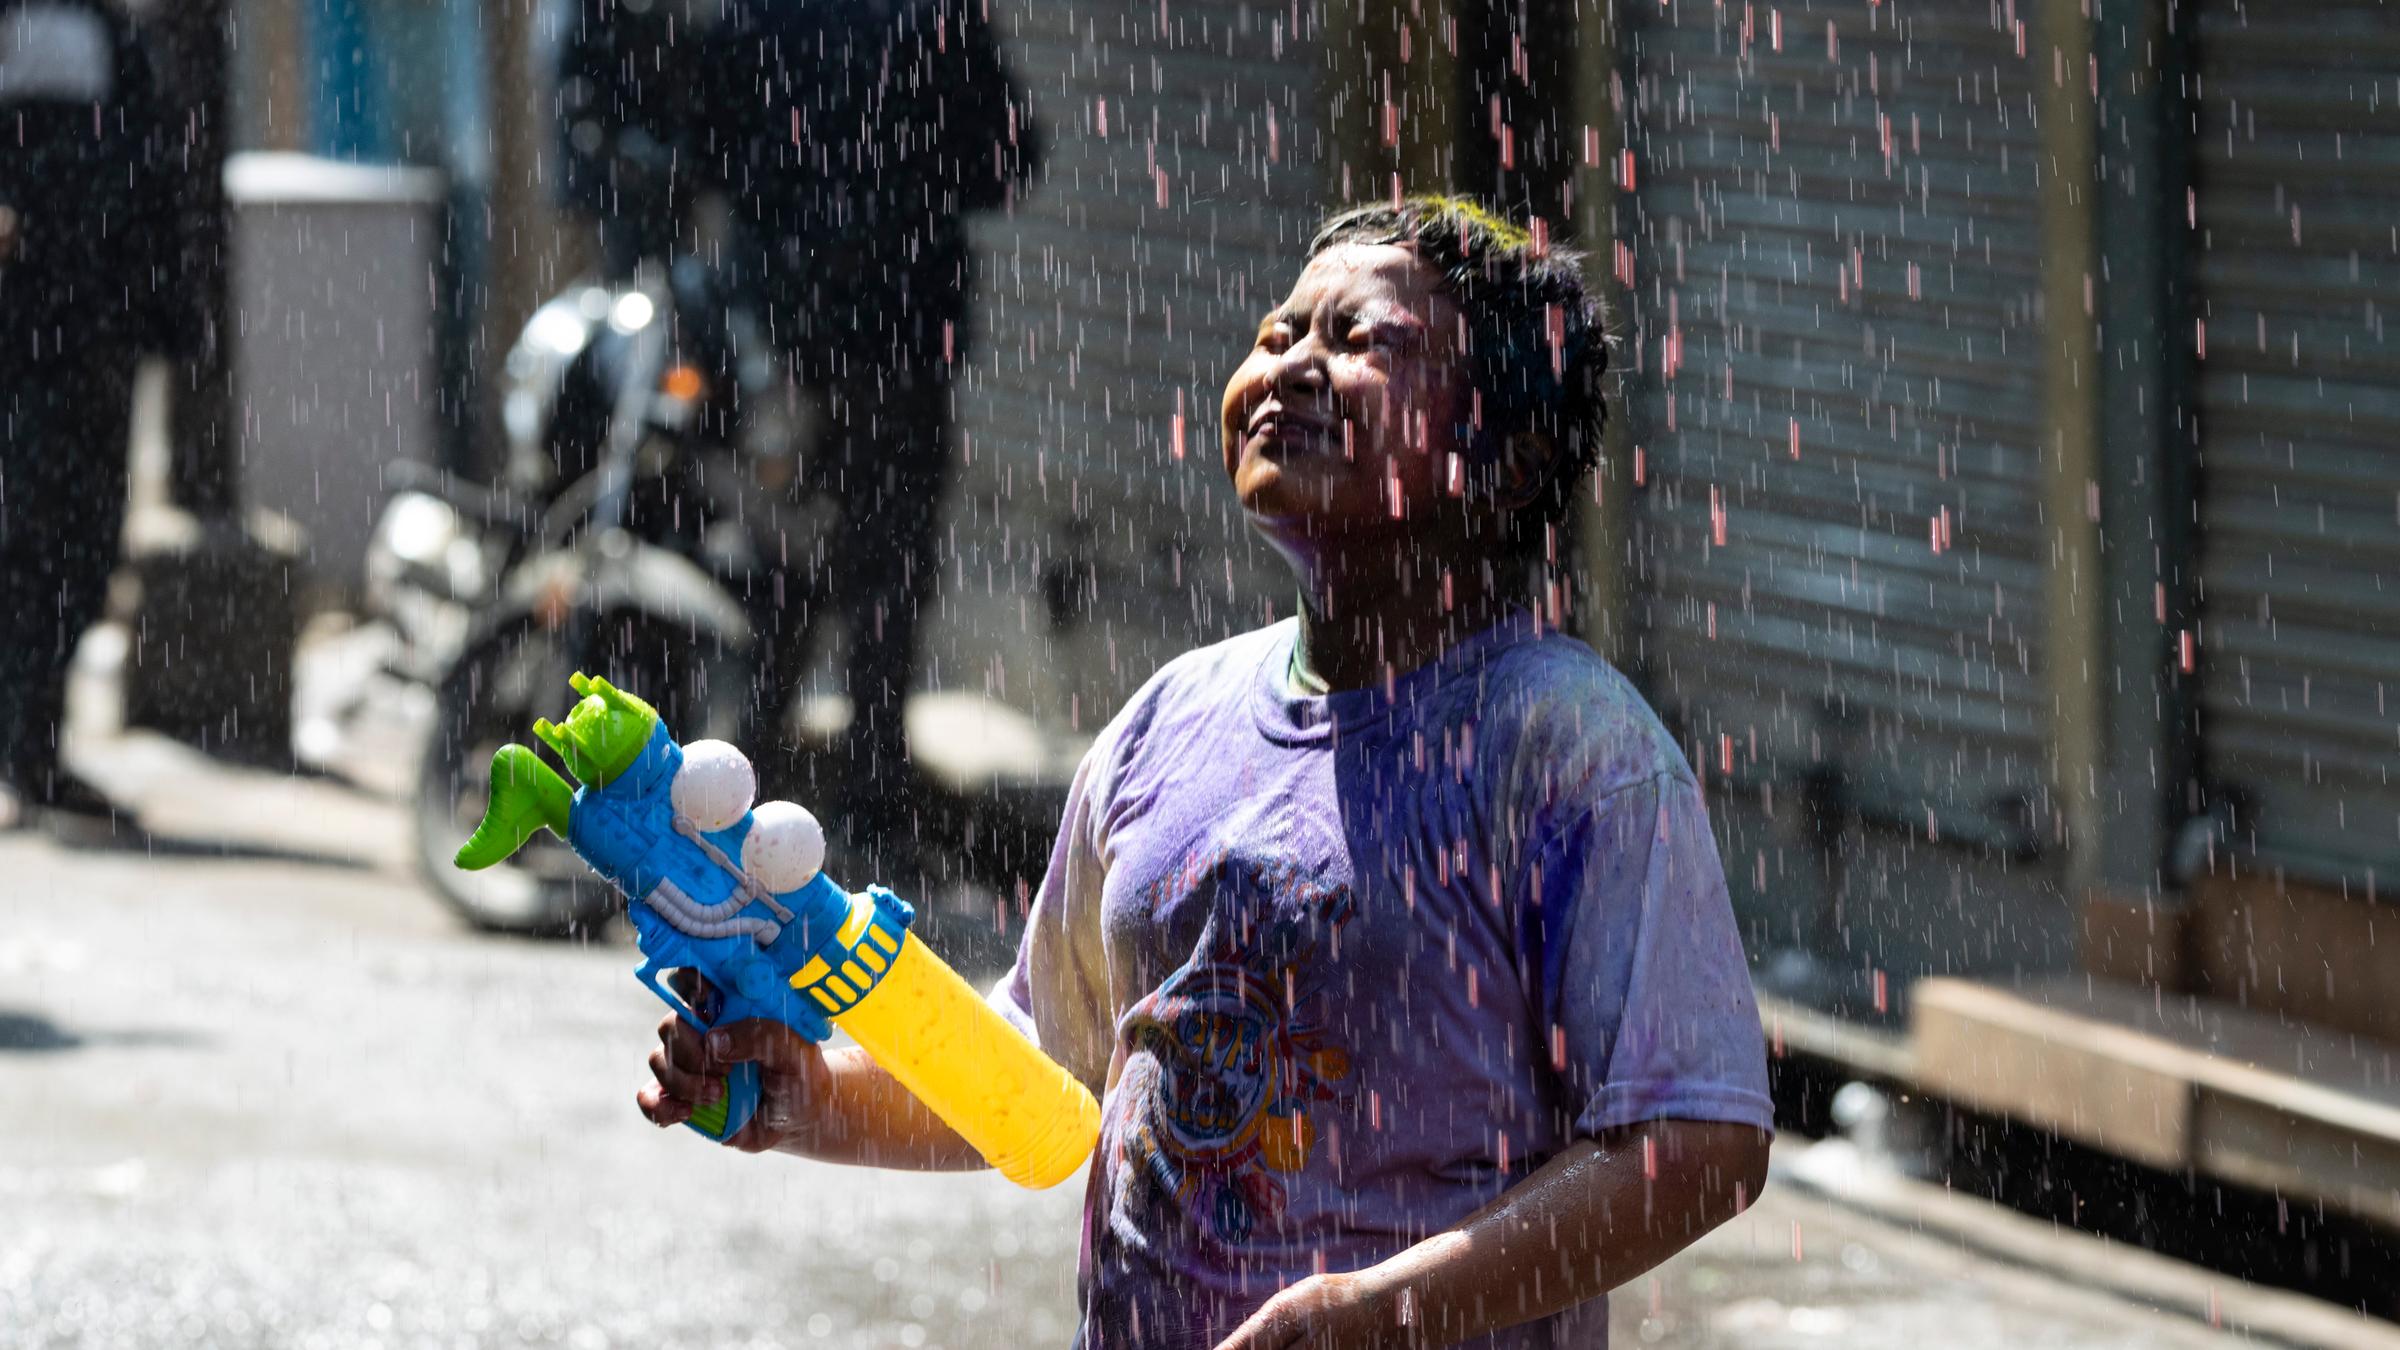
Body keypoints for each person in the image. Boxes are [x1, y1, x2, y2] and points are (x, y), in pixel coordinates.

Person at [637, 197, 1774, 1348]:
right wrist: (810, 1095)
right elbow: (1047, 1060)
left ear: (1508, 456)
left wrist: (1387, 1311)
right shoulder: (1165, 724)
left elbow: (1698, 1144)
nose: (1293, 367)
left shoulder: (1575, 754)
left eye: (1363, 342)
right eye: (1280, 333)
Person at [548, 0, 1039, 863]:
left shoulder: (760, 19)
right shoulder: (934, 20)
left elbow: (695, 157)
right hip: (901, 341)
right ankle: (866, 806)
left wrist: (784, 209)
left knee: (776, 574)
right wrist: (904, 188)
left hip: (783, 342)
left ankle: (743, 799)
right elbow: (1010, 162)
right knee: (885, 581)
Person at [0, 0, 172, 829]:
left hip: (96, 330)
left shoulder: (112, 33)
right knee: (22, 536)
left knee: (83, 540)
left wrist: (162, 312)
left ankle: (35, 751)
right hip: (17, 329)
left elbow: (148, 174)